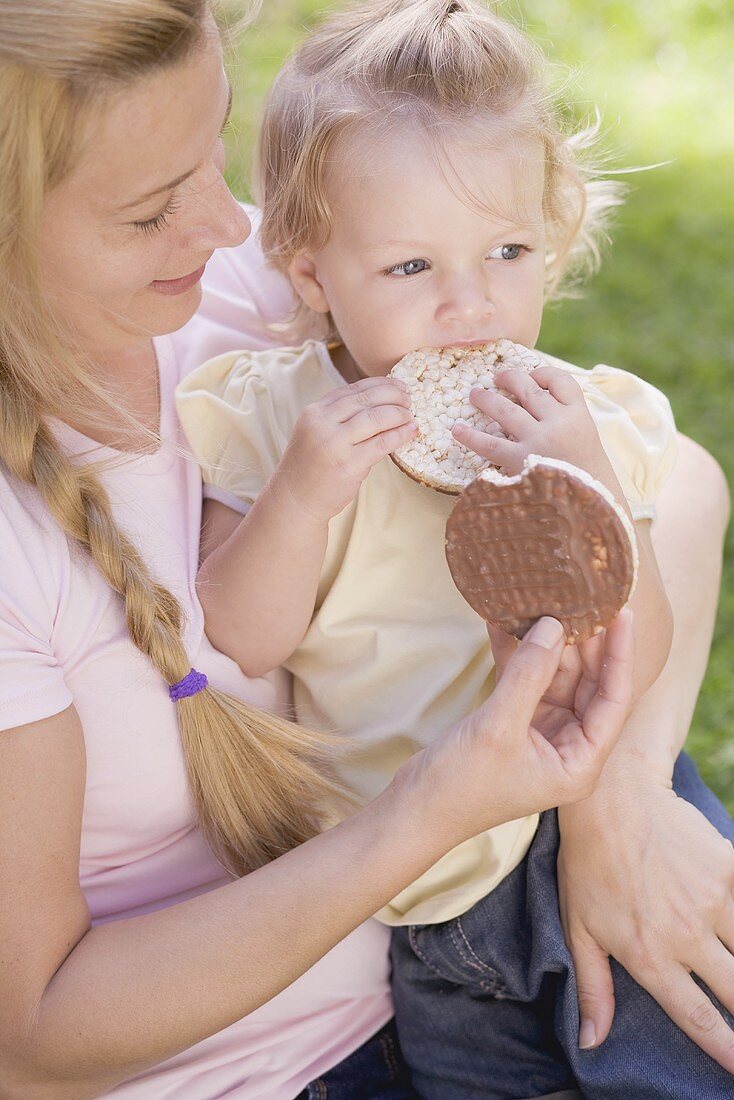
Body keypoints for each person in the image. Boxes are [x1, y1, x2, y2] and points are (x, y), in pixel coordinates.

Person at [0, 1, 730, 1098]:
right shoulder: (262, 397)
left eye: (215, 152)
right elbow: (239, 624)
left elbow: (677, 493)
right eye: (153, 207)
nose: (221, 226)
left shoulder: (262, 287)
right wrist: (301, 496)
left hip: (533, 854)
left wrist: (615, 802)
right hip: (400, 957)